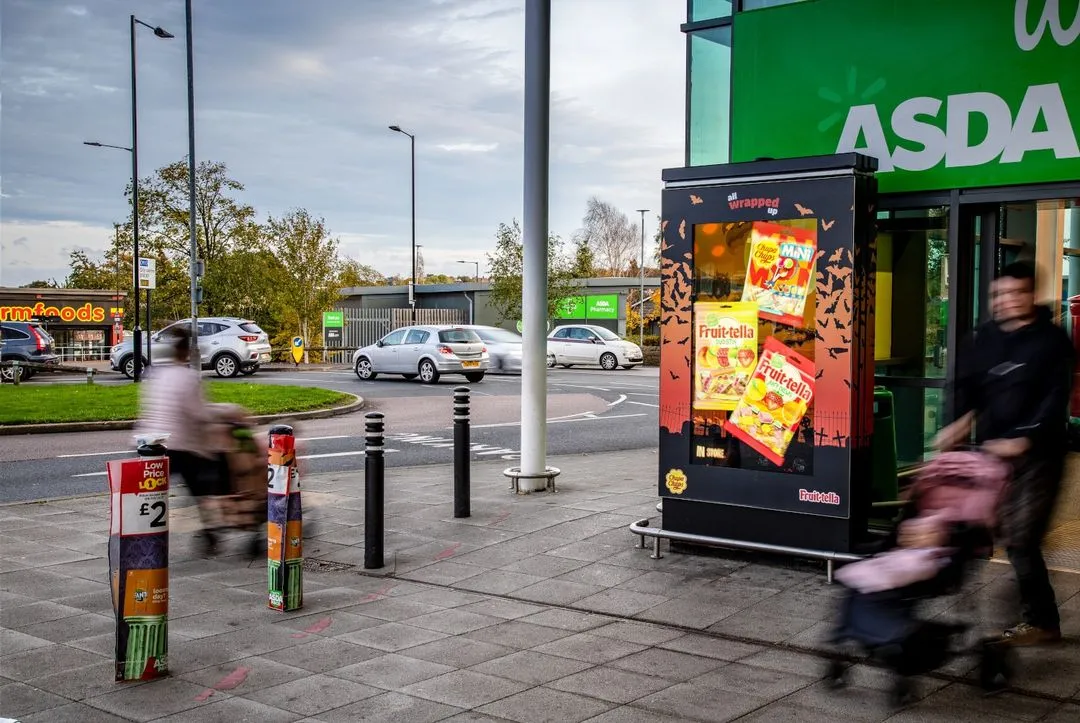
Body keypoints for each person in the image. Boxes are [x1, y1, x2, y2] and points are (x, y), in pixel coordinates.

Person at [935, 260, 1073, 646]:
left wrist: (1024, 438)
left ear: (1031, 295)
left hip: (1039, 458)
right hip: (992, 456)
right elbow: (966, 386)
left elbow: (1054, 398)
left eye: (1016, 293)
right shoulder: (984, 337)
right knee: (984, 534)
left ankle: (1041, 622)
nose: (1007, 300)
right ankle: (1013, 606)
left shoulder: (1052, 340)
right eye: (1000, 294)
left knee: (1021, 539)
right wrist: (959, 421)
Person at [138, 327, 227, 555]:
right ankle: (210, 533)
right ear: (186, 352)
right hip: (178, 446)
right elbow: (198, 414)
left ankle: (140, 534)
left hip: (148, 444)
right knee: (202, 486)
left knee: (147, 493)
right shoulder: (188, 378)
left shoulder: (155, 373)